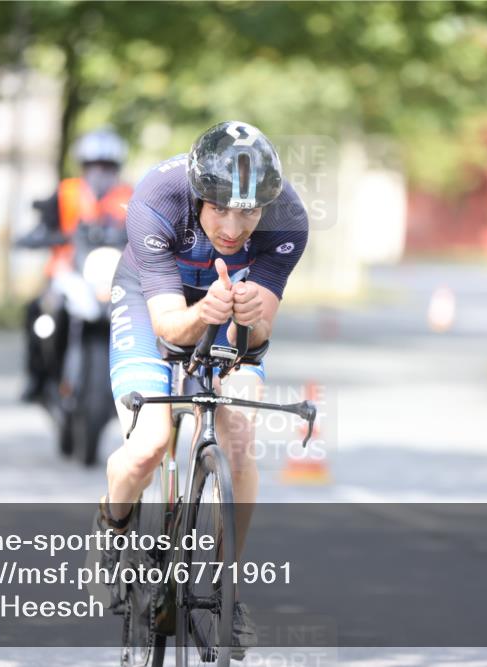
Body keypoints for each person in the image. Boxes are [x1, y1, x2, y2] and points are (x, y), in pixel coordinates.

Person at [100, 121, 308, 654]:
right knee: (148, 444)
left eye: (249, 212)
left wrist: (245, 314)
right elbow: (170, 326)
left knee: (238, 435)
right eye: (220, 209)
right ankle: (112, 522)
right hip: (155, 301)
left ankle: (228, 589)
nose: (235, 227)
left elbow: (258, 335)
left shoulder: (288, 219)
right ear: (198, 196)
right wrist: (203, 313)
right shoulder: (157, 196)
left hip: (228, 302)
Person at [19, 128, 133, 402]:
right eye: (93, 165)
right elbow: (43, 224)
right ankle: (38, 376)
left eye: (107, 166)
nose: (99, 172)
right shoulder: (66, 192)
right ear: (83, 166)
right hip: (68, 272)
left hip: (112, 274)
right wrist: (39, 236)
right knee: (39, 312)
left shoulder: (131, 195)